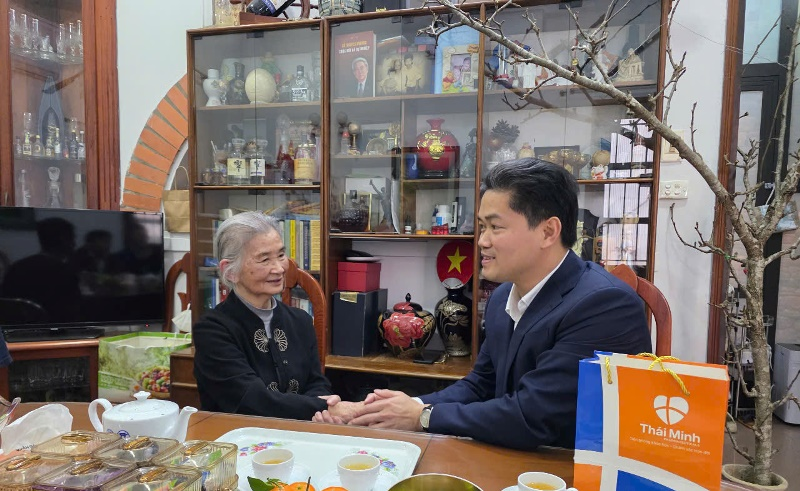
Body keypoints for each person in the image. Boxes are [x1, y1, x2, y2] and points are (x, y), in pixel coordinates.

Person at [317, 159, 651, 450]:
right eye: (481, 227)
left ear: (548, 231)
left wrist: (422, 416)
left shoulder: (604, 306)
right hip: (512, 458)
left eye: (495, 227)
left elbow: (532, 417)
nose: (481, 241)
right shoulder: (503, 297)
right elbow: (481, 384)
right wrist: (393, 408)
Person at [193, 211, 360, 421]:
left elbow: (316, 382)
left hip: (299, 431)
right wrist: (322, 407)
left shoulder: (300, 320)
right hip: (236, 436)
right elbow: (250, 400)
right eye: (264, 259)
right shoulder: (212, 330)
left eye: (281, 255)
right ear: (230, 271)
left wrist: (323, 409)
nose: (279, 268)